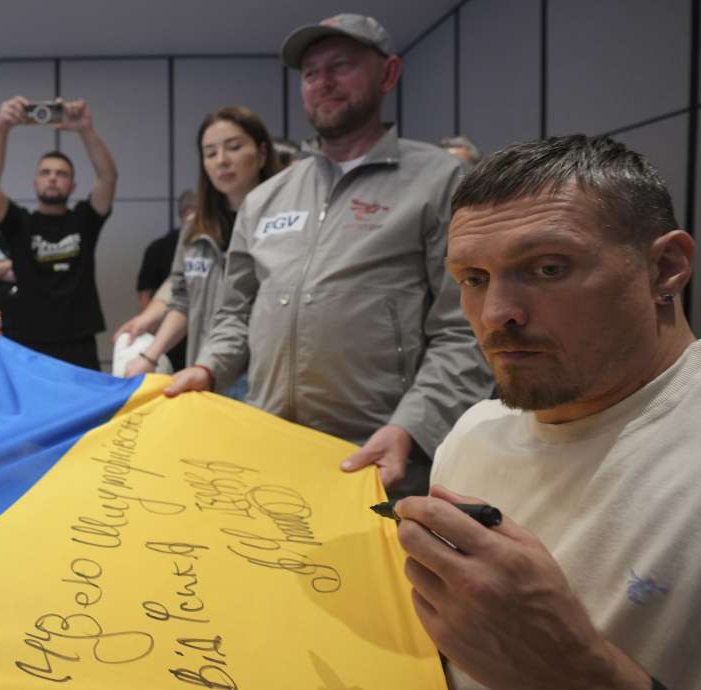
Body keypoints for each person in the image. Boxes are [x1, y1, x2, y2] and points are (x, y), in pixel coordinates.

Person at [396, 135, 701, 689]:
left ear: (666, 267)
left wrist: (577, 672)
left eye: (548, 268)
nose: (497, 313)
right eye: (474, 279)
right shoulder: (472, 436)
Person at [166, 14, 492, 496]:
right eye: (312, 73)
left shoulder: (440, 181)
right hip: (268, 448)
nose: (324, 83)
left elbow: (466, 327)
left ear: (389, 74)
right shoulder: (267, 198)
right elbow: (235, 314)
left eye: (341, 65)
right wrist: (208, 367)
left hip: (379, 456)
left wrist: (414, 426)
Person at [124, 107, 280, 391]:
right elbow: (183, 301)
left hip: (267, 378)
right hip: (206, 370)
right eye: (210, 153)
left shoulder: (284, 223)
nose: (222, 161)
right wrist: (150, 356)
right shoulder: (196, 227)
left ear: (262, 153)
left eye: (234, 147)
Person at [0, 96, 118, 370]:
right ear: (35, 182)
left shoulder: (84, 220)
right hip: (25, 339)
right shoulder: (19, 223)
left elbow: (108, 178)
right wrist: (1, 130)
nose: (53, 177)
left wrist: (85, 129)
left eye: (61, 174)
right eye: (45, 172)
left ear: (72, 184)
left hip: (78, 340)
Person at [137, 189, 196, 309]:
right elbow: (145, 295)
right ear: (187, 213)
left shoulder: (215, 246)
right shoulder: (159, 249)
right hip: (168, 312)